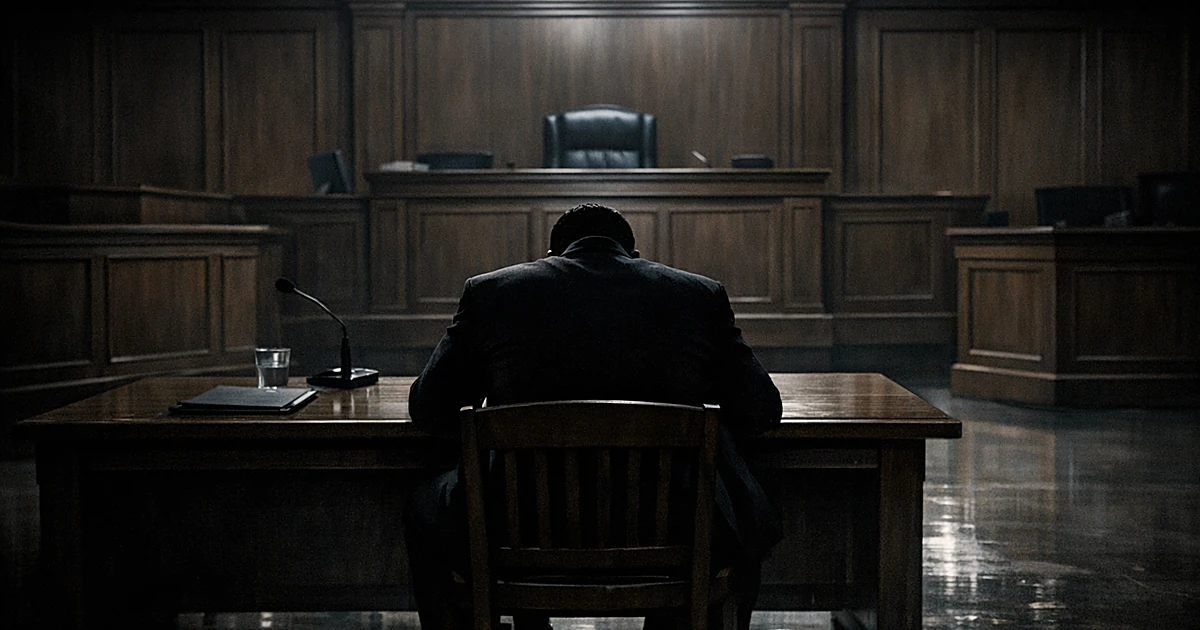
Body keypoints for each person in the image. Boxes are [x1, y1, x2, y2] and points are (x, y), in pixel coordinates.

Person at [404, 202, 783, 630]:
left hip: (517, 530)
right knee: (732, 506)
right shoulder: (699, 296)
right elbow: (762, 410)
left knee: (424, 507)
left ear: (552, 256)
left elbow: (429, 410)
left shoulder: (490, 294)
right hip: (673, 530)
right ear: (632, 255)